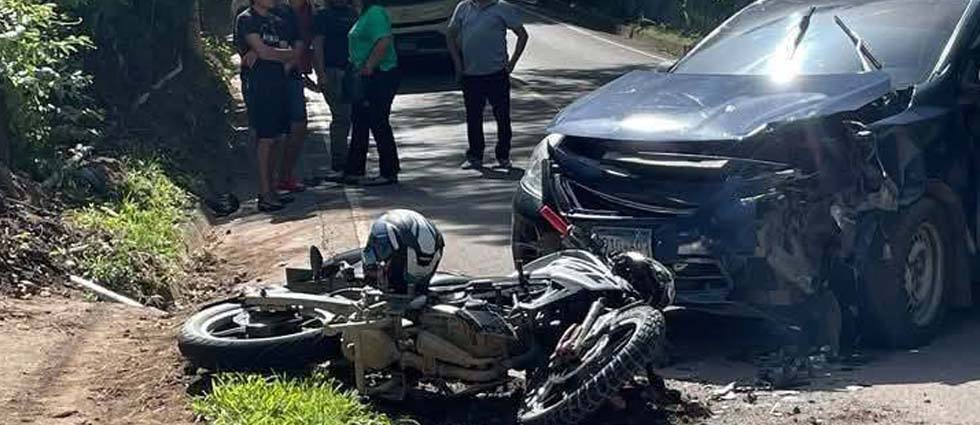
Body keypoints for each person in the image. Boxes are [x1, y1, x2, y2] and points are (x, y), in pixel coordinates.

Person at [447, 0, 528, 170]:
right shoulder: (464, 7)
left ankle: (503, 155)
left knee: (502, 117)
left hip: (496, 73)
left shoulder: (502, 8)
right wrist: (457, 63)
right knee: (473, 117)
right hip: (471, 74)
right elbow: (450, 34)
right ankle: (475, 155)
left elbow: (522, 34)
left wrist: (512, 63)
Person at [235, 0, 297, 211]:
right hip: (259, 86)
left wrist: (271, 53)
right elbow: (266, 52)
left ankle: (273, 188)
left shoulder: (276, 20)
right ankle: (264, 193)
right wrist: (271, 53)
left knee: (279, 137)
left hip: (279, 83)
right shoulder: (246, 19)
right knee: (266, 138)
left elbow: (292, 51)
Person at [344, 0, 401, 186]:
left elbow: (383, 40)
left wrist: (369, 65)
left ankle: (389, 170)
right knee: (360, 120)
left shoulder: (375, 12)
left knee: (378, 120)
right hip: (364, 76)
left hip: (380, 74)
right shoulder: (362, 14)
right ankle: (353, 170)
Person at [275, 0, 316, 193]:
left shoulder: (286, 12)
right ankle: (270, 181)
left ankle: (286, 175)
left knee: (299, 126)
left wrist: (289, 65)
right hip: (264, 81)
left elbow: (299, 43)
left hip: (291, 76)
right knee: (271, 133)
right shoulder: (248, 16)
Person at [313, 0, 356, 179]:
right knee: (341, 117)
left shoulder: (353, 13)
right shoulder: (323, 15)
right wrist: (320, 73)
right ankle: (339, 163)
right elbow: (317, 45)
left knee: (352, 117)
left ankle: (351, 160)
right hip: (333, 71)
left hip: (351, 70)